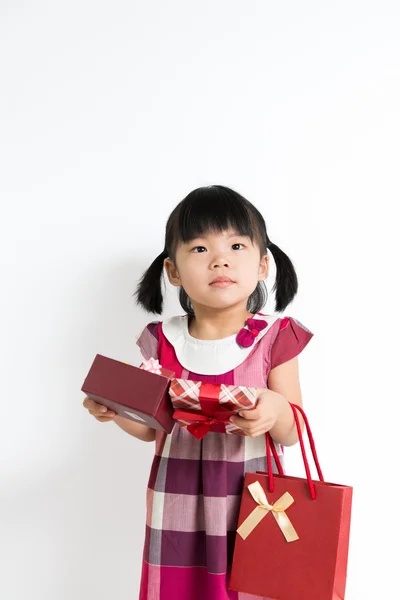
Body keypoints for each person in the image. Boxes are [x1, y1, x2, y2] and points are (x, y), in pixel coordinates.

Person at [83, 184, 314, 599]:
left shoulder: (275, 337)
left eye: (237, 245)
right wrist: (114, 410)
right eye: (200, 249)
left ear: (263, 265)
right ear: (173, 272)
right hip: (178, 503)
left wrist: (275, 410)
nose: (220, 259)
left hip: (253, 502)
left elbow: (293, 428)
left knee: (252, 585)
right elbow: (152, 426)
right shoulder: (161, 341)